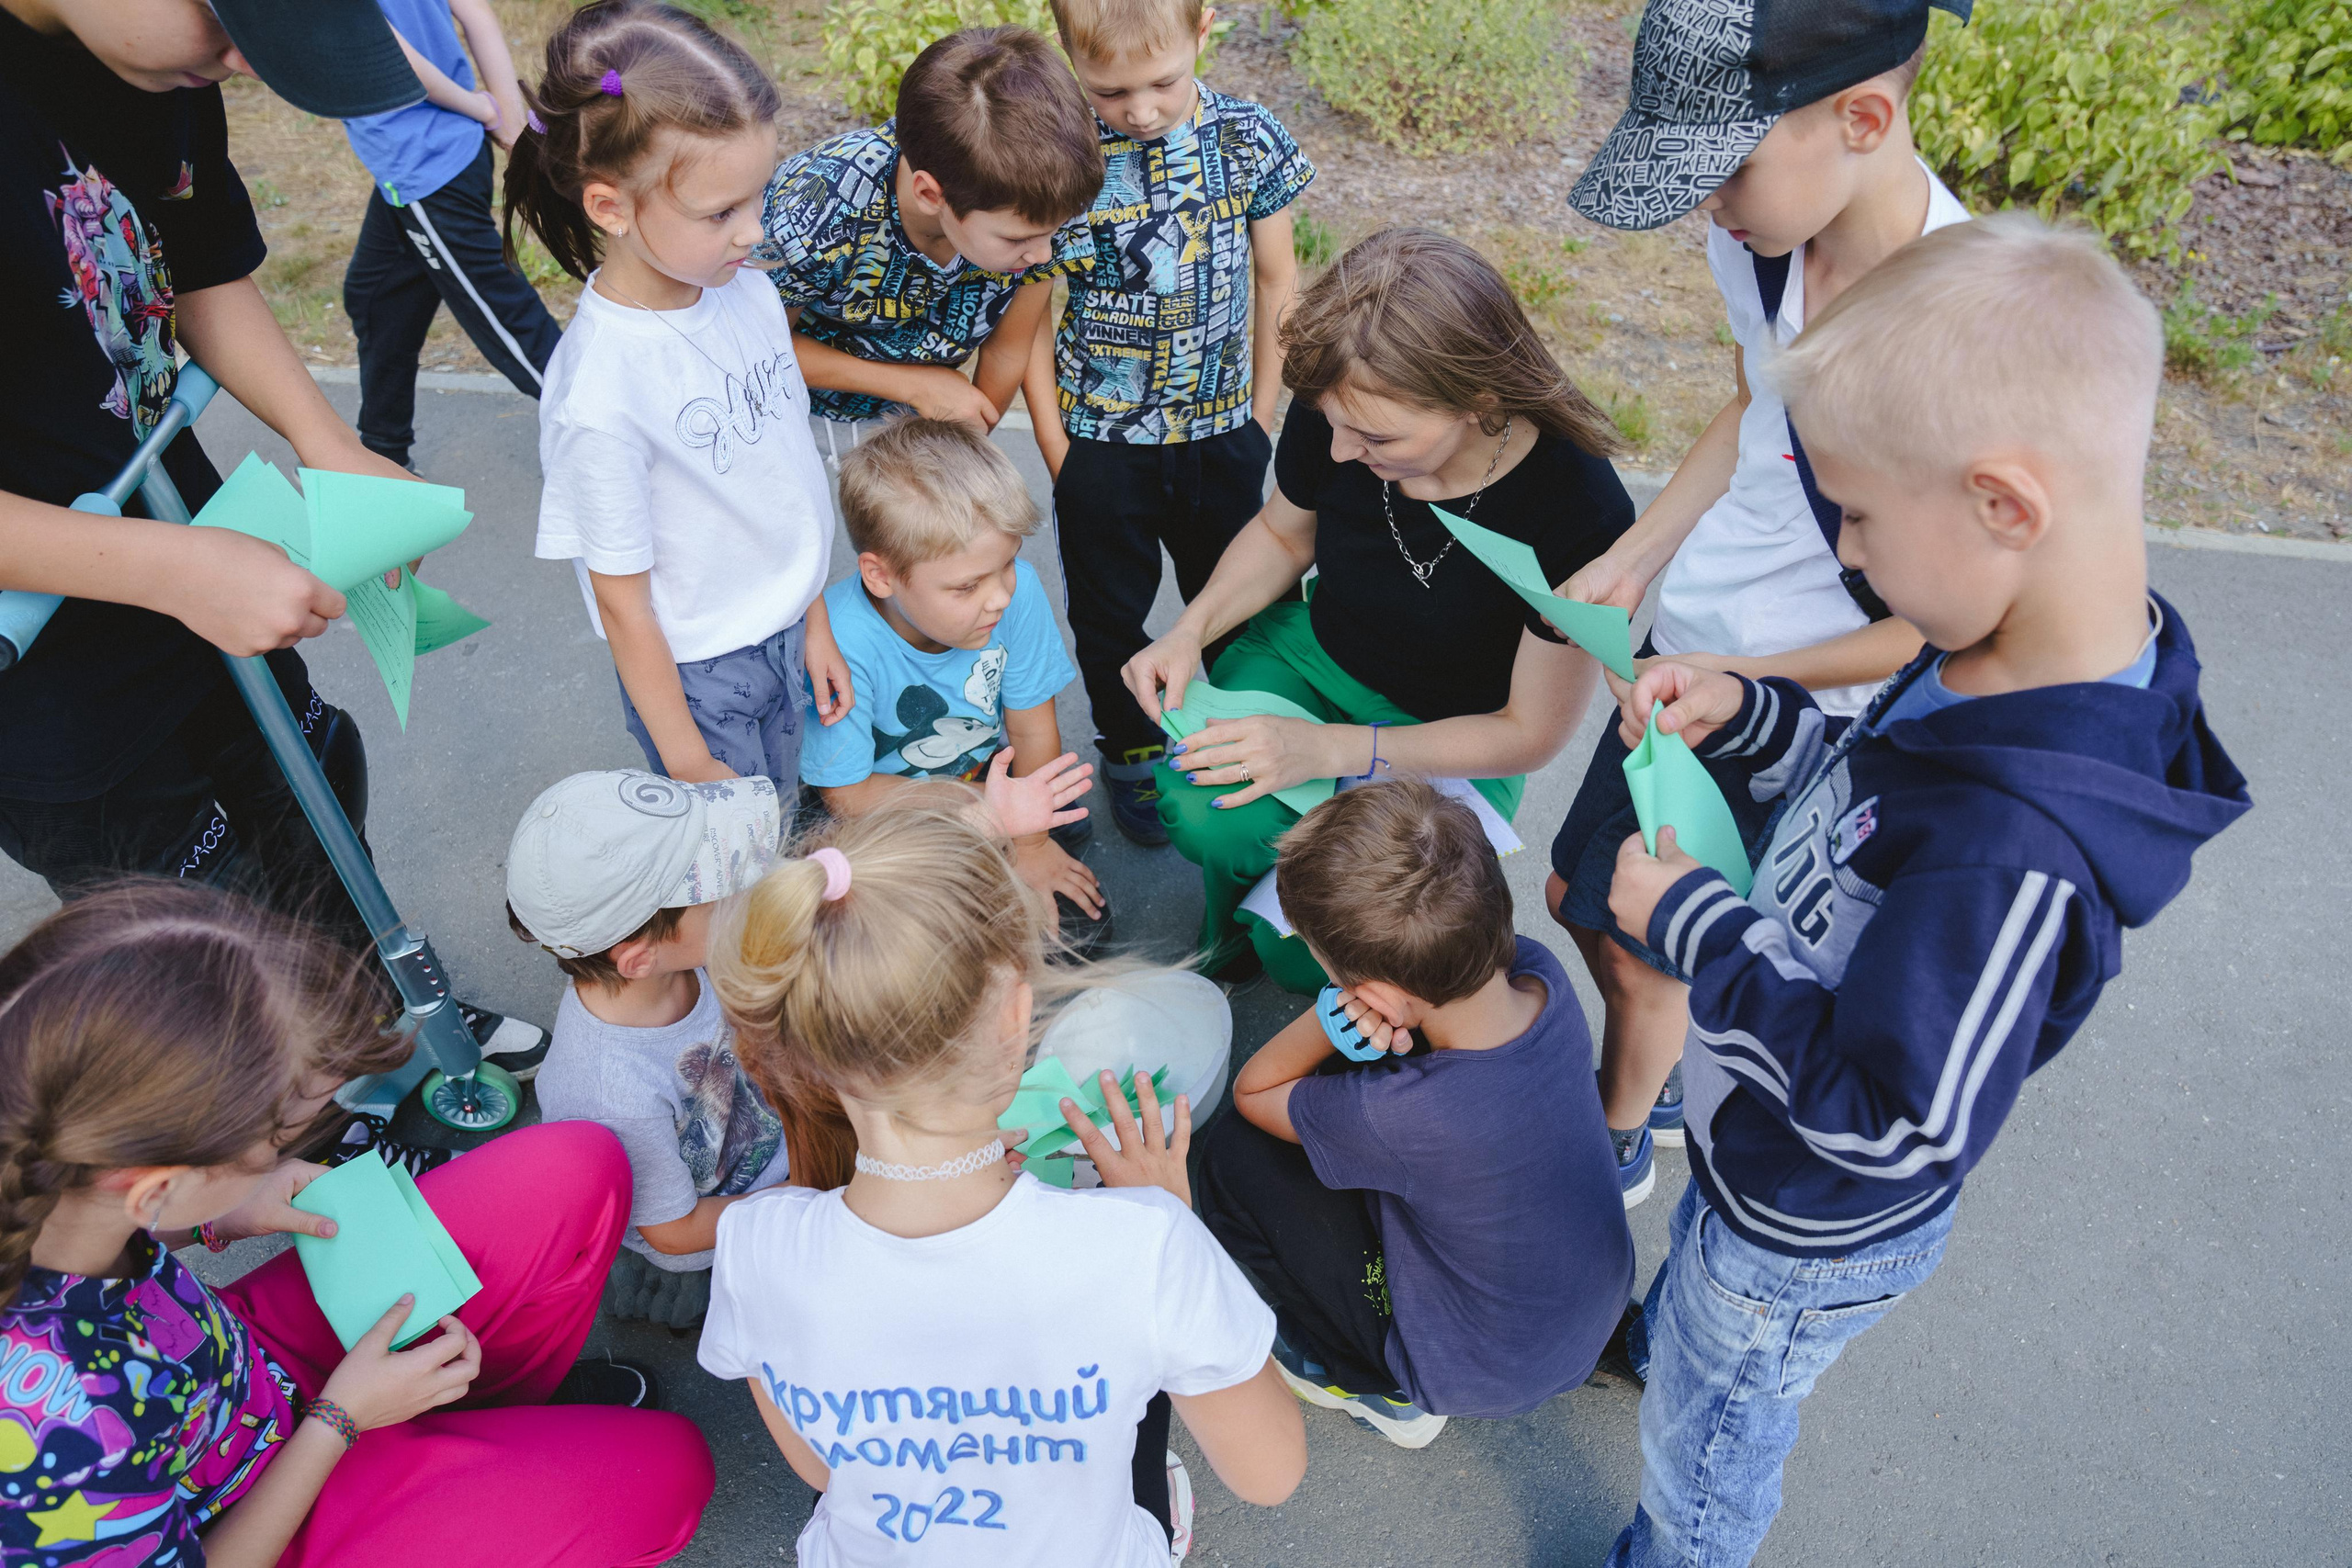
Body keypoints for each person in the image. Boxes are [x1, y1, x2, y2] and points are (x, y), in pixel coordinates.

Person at [1599, 215, 2250, 1567]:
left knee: (1708, 1448)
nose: (1842, 549)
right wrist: (1752, 710)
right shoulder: (1991, 640)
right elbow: (1864, 784)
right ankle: (1670, 1337)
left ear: (2005, 505)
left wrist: (1694, 924)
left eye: (1857, 513)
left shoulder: (2018, 846)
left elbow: (1896, 1120)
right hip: (1752, 1145)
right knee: (1694, 1351)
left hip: (1800, 1220)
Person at [0, 0, 544, 1075]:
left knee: (308, 790)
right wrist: (173, 568)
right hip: (51, 672)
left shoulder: (157, 62)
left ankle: (379, 1030)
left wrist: (325, 439)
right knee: (195, 928)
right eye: (232, 19)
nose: (247, 62)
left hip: (181, 529)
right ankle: (302, 1122)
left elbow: (197, 262)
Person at [1552, 0, 1973, 1202]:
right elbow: (1757, 407)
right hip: (1694, 642)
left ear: (1865, 118)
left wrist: (1747, 686)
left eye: (1725, 169)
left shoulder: (1957, 341)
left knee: (1643, 962)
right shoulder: (1766, 236)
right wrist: (1641, 552)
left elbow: (1923, 631)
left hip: (1794, 707)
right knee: (1582, 903)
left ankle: (1618, 1141)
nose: (1709, 206)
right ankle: (1662, 1065)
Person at [0, 880, 717, 1567]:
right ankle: (457, 1447)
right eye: (274, 1138)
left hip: (240, 1372)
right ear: (155, 1182)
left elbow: (87, 1223)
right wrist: (339, 1419)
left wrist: (219, 1213)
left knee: (578, 1167)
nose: (285, 1148)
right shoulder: (55, 1439)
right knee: (672, 1475)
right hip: (264, 1521)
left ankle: (479, 1426)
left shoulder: (47, 1149)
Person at [700, 789, 1307, 1565]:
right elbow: (1270, 1470)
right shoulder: (1145, 1246)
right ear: (1015, 1012)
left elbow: (821, 1467)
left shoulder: (754, 1243)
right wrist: (1167, 1217)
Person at [1123, 227, 1634, 989]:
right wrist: (1190, 629)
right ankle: (1225, 923)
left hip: (1455, 734)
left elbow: (1529, 733)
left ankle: (1271, 937)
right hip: (1312, 651)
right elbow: (1281, 533)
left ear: (1478, 399)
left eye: (1375, 436)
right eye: (1332, 424)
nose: (1337, 453)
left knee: (1315, 948)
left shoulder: (1580, 510)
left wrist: (1331, 751)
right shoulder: (1344, 398)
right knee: (1209, 807)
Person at [1196, 780, 1634, 1452]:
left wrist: (1329, 1019)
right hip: (1581, 1310)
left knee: (1228, 1156)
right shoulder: (1540, 975)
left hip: (1467, 1367)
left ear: (1379, 998)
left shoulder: (1397, 1114)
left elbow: (1256, 1094)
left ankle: (1378, 1388)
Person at [507, 0, 852, 790]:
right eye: (721, 211)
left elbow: (787, 477)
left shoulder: (745, 290)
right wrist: (690, 760)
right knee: (735, 874)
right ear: (610, 207)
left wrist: (814, 619)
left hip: (787, 633)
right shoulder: (601, 392)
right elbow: (624, 606)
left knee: (788, 826)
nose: (753, 231)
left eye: (758, 196)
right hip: (701, 676)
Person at [1021, 0, 1314, 845]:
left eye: (1161, 82)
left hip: (1223, 433)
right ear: (1069, 52)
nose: (1139, 110)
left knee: (1240, 599)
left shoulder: (1246, 137)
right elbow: (1032, 310)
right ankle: (1134, 747)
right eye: (1109, 89)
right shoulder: (1062, 154)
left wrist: (1262, 414)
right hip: (1102, 442)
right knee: (1110, 610)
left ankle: (1234, 731)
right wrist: (1055, 443)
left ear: (1204, 31)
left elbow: (1276, 281)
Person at [506, 770, 800, 1331]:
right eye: (716, 891)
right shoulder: (609, 1091)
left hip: (765, 1149)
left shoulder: (690, 957)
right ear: (640, 959)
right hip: (722, 1232)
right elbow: (675, 1229)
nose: (742, 890)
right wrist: (801, 1194)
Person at [799, 418, 1109, 949]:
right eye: (967, 586)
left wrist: (1030, 840)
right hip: (881, 806)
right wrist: (988, 817)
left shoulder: (1015, 594)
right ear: (881, 576)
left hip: (976, 775)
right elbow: (846, 792)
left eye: (1008, 564)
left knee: (1079, 938)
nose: (1000, 598)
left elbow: (1032, 730)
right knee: (902, 951)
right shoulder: (841, 640)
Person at [759, 25, 1102, 446]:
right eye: (1015, 241)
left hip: (925, 420)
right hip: (792, 415)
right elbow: (758, 345)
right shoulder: (820, 208)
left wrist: (964, 442)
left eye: (1055, 232)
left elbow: (1008, 350)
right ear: (929, 194)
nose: (1043, 254)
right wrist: (913, 385)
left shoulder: (1042, 204)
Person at [340, 0, 563, 474]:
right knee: (376, 296)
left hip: (424, 166)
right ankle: (384, 460)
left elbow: (385, 51)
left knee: (508, 323)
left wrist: (483, 106)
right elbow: (477, 13)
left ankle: (629, 436)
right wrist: (507, 117)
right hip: (428, 160)